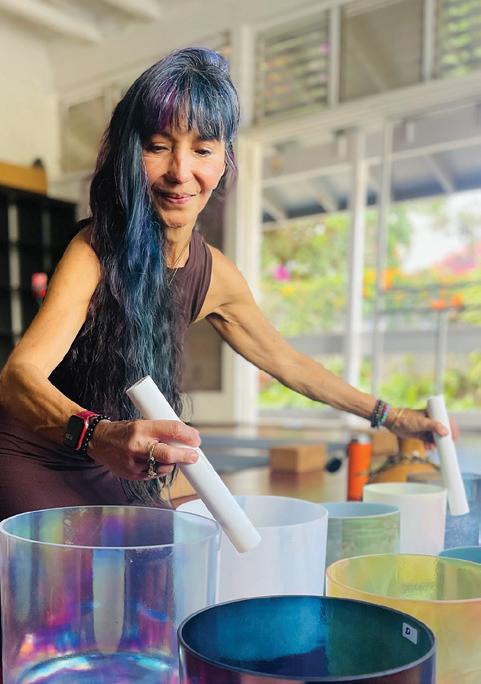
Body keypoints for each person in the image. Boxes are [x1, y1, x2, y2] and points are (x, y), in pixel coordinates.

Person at [0, 47, 449, 520]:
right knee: (80, 567)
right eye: (158, 146)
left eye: (202, 149)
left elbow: (290, 363)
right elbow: (17, 378)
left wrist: (393, 417)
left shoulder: (215, 274)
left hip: (124, 462)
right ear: (132, 156)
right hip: (42, 455)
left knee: (181, 553)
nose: (180, 172)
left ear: (224, 160)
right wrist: (97, 435)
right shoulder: (93, 250)